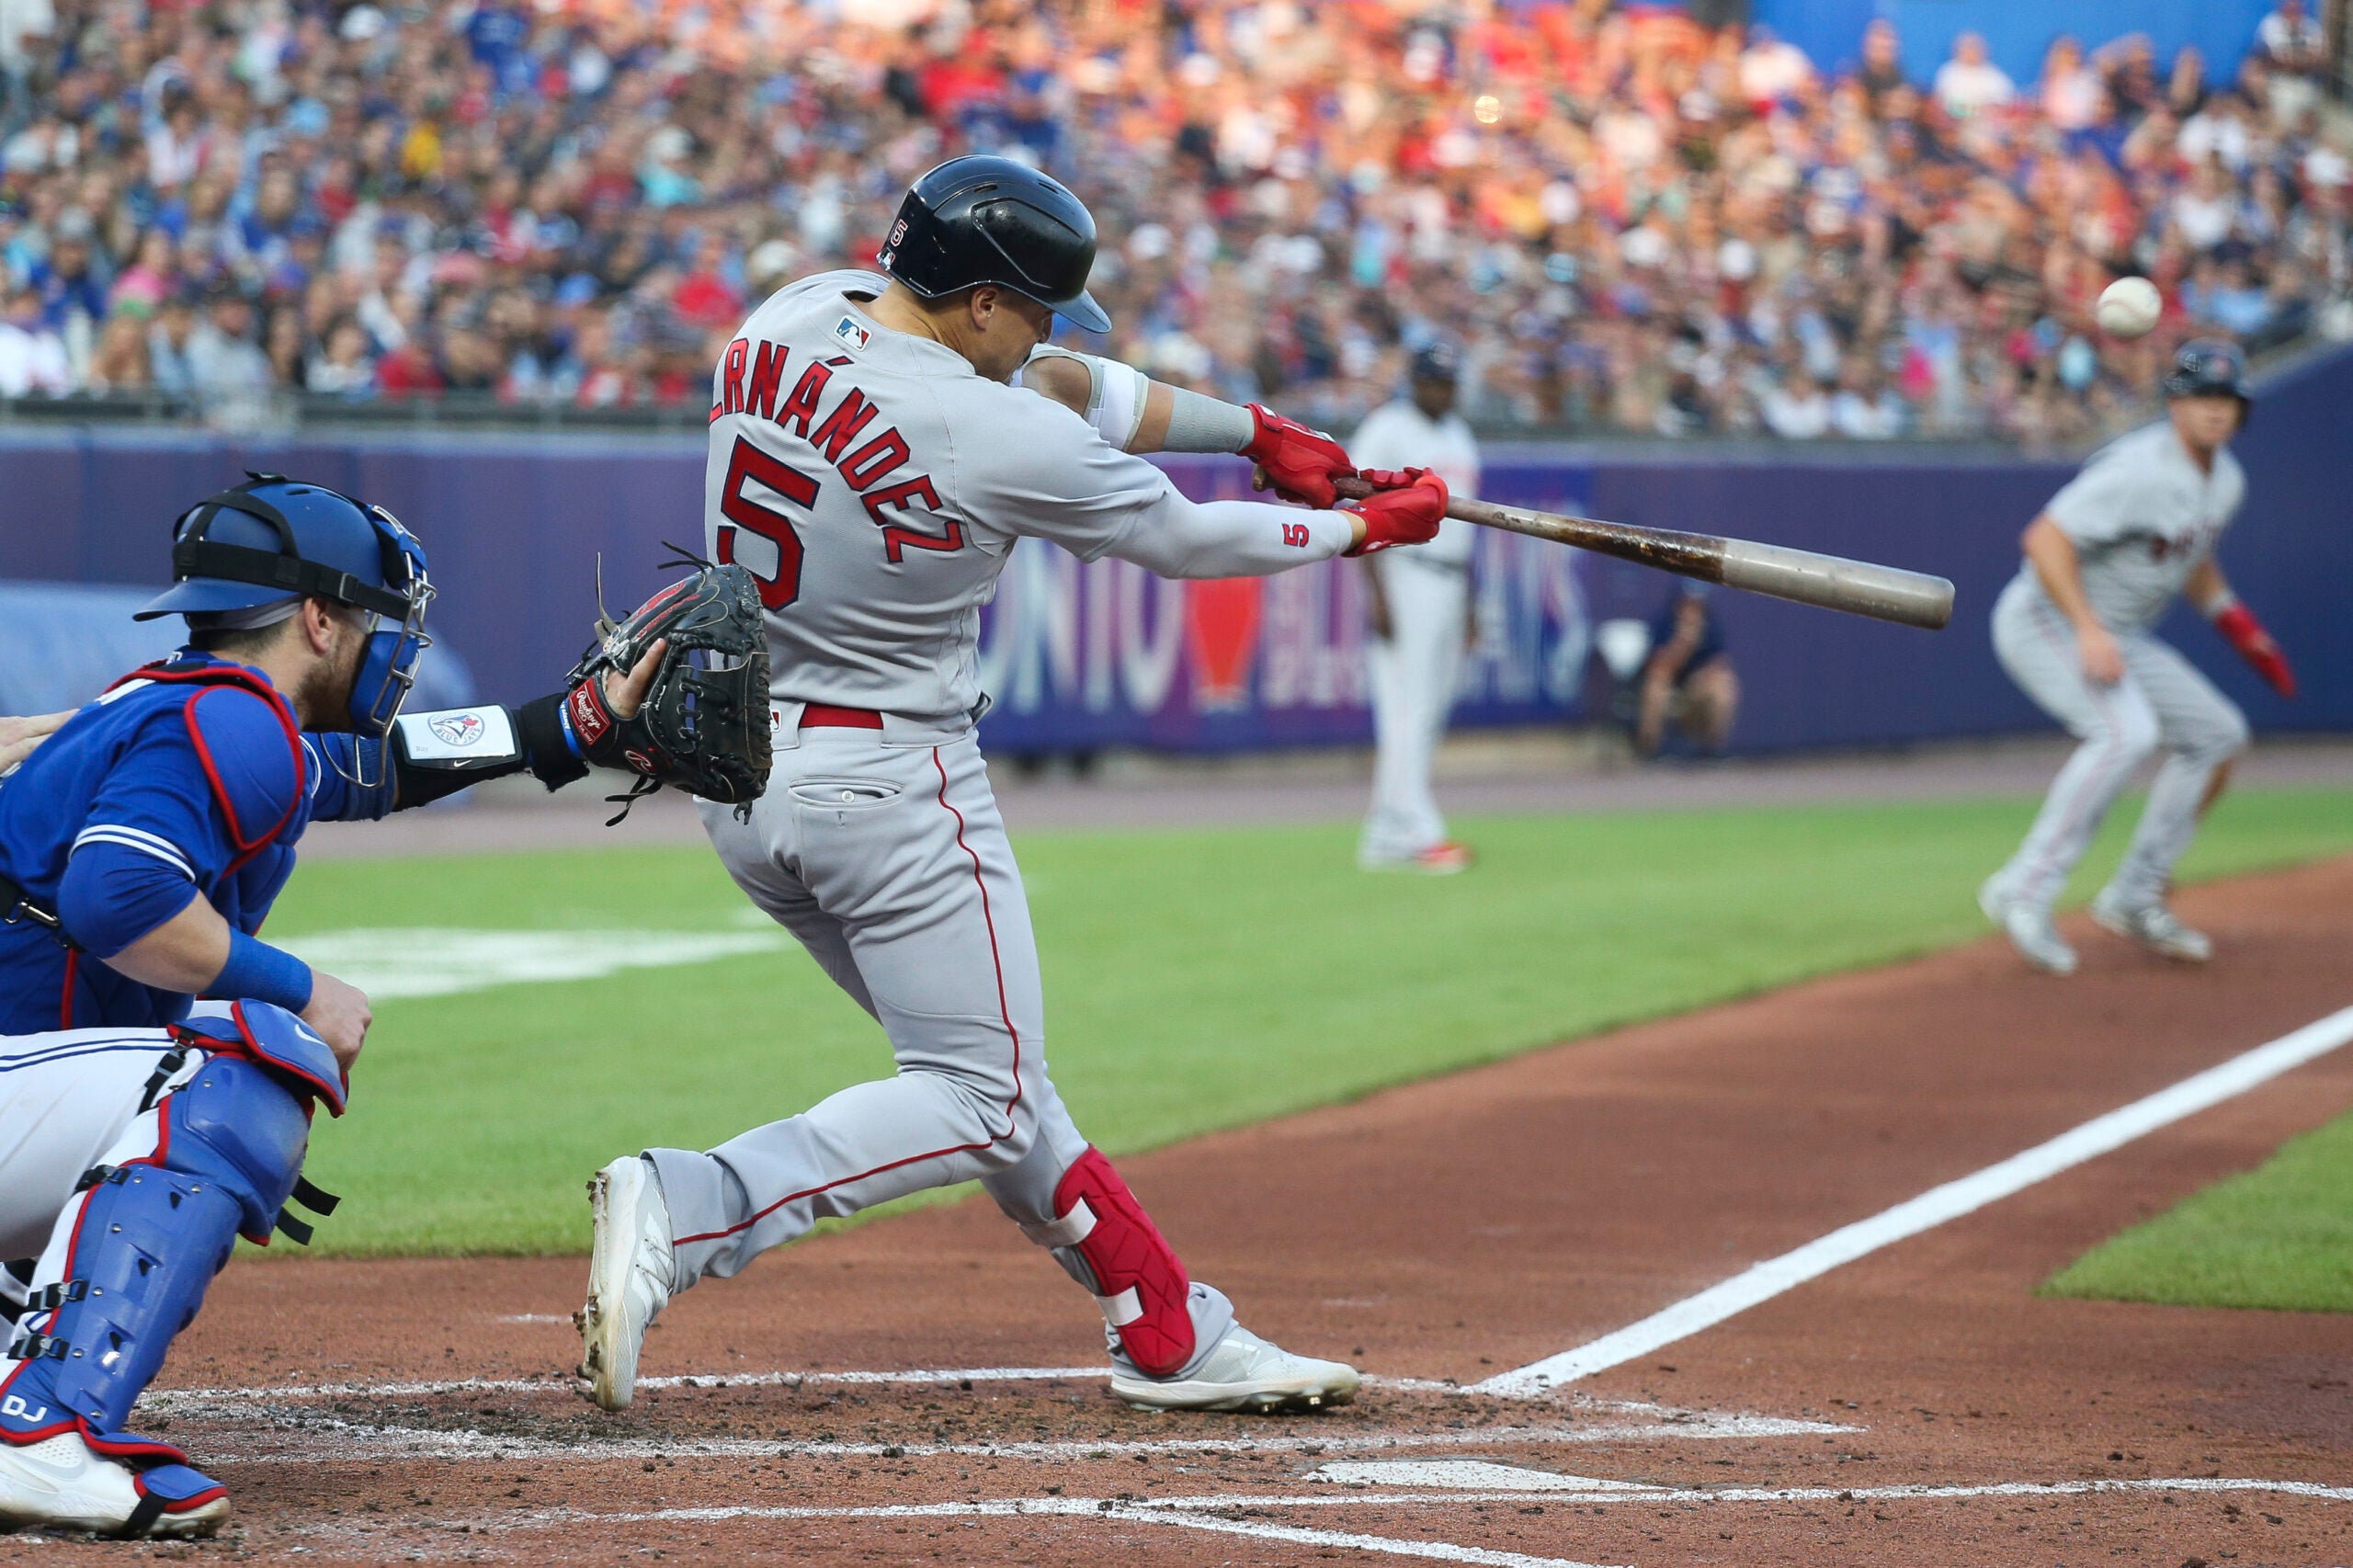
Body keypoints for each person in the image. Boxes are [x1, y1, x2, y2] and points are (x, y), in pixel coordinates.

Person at [577, 155, 1445, 1420]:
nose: (1044, 330)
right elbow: (1184, 537)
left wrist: (1255, 433)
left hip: (739, 773)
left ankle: (1164, 1319)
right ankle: (690, 1202)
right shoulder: (990, 427)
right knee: (979, 1095)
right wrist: (1362, 527)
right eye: (1031, 305)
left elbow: (1063, 384)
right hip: (892, 783)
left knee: (984, 1069)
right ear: (979, 299)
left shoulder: (790, 314)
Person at [0, 477, 657, 1535]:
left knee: (189, 1053)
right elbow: (113, 893)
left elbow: (374, 768)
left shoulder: (182, 703)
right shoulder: (225, 721)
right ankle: (39, 1428)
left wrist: (563, 730)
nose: (388, 643)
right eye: (372, 618)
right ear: (318, 617)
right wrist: (301, 985)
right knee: (247, 1061)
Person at [1979, 341, 2293, 975]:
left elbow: (2188, 556)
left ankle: (2135, 894)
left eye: (2227, 400)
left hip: (2117, 633)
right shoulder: (2140, 468)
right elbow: (2045, 539)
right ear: (2176, 402)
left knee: (2218, 735)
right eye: (2203, 396)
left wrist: (2238, 624)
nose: (2215, 411)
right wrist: (2088, 630)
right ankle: (2023, 887)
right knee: (2126, 733)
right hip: (2046, 617)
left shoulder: (2226, 480)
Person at [1351, 341, 1482, 873]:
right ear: (1415, 380)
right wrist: (1377, 591)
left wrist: (1470, 602)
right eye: (1435, 381)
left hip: (1450, 578)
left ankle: (1386, 832)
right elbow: (1355, 503)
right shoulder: (1388, 428)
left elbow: (1468, 522)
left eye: (1450, 382)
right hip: (1406, 572)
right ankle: (1416, 829)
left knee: (1427, 711)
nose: (1443, 391)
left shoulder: (1459, 434)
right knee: (1407, 710)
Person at [1635, 584, 1740, 758]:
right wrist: (1683, 645)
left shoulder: (1710, 626)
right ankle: (1650, 750)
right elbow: (1656, 666)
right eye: (1688, 604)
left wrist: (1703, 677)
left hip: (1697, 690)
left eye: (1697, 605)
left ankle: (1712, 749)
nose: (1691, 610)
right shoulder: (1664, 624)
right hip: (1670, 688)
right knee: (1656, 684)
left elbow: (1719, 663)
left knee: (1723, 686)